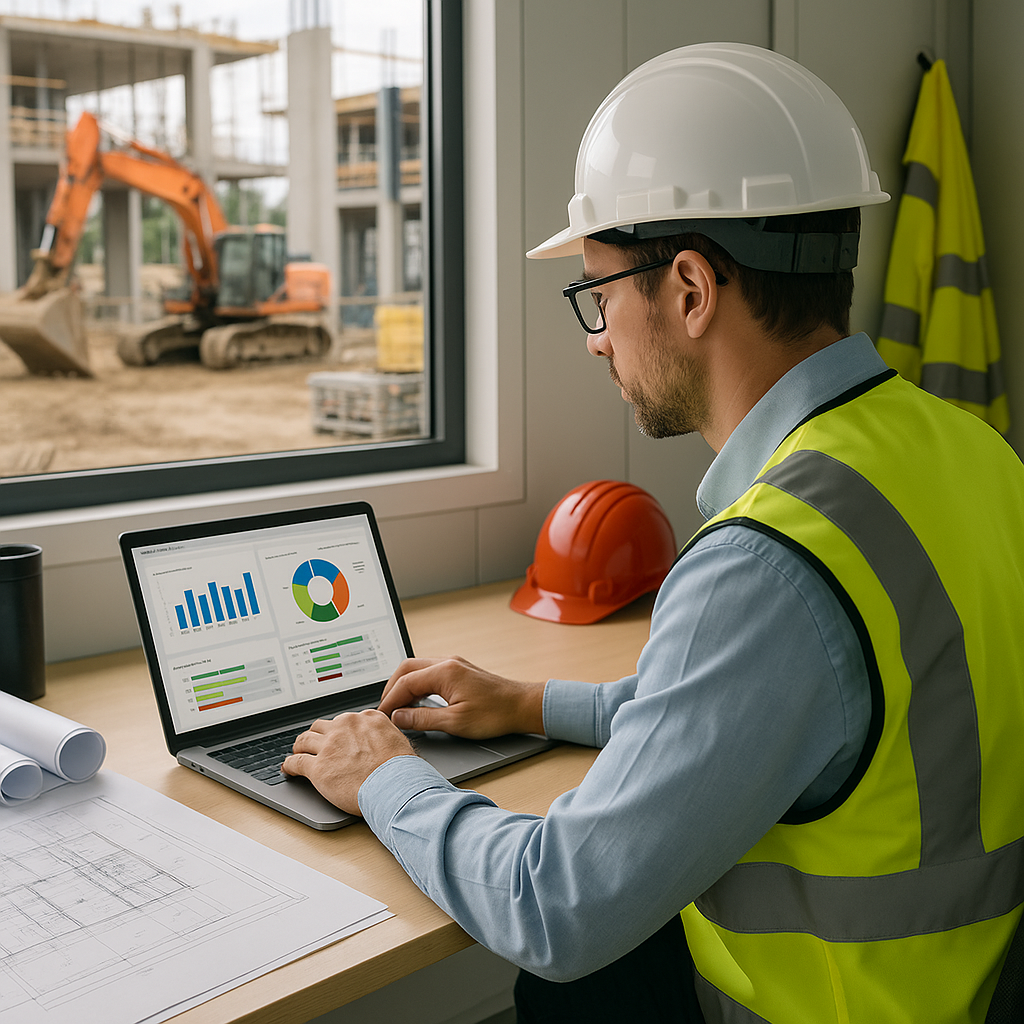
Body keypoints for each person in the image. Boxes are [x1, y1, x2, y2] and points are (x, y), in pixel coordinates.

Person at [283, 42, 1024, 1023]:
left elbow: (554, 904)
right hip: (967, 978)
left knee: (566, 978)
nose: (595, 337)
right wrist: (533, 701)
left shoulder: (769, 560)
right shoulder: (967, 449)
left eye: (597, 295)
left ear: (687, 288)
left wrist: (386, 778)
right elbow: (789, 699)